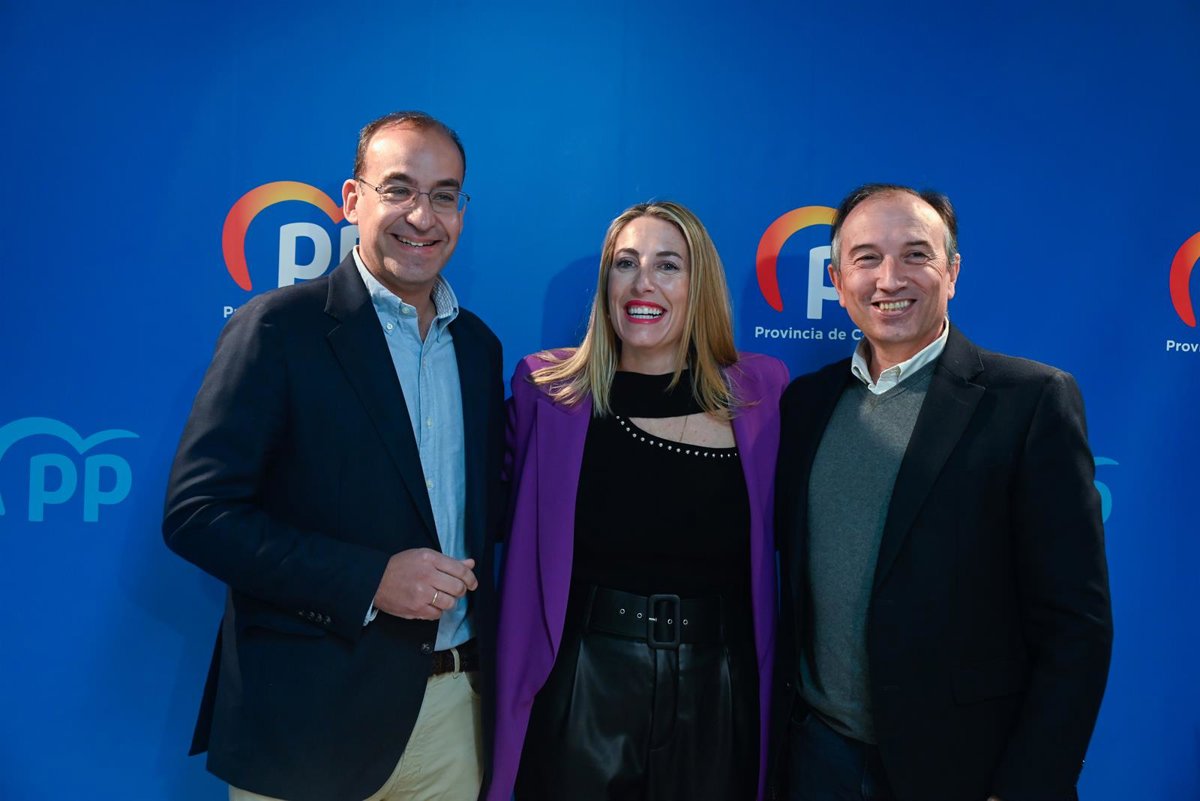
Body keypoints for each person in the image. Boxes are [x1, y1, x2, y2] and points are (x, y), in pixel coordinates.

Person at [163, 111, 506, 801]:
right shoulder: (278, 327)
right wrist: (368, 579)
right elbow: (197, 514)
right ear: (353, 200)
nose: (422, 216)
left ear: (461, 212)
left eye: (444, 195)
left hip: (452, 716)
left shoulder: (478, 347)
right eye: (399, 189)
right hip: (308, 723)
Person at [774, 184, 1113, 801]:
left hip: (966, 770)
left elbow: (1076, 626)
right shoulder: (805, 403)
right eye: (867, 258)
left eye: (916, 255)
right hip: (816, 759)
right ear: (838, 280)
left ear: (952, 272)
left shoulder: (1031, 402)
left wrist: (1027, 786)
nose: (890, 278)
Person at [486, 201, 788, 801]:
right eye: (625, 263)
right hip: (584, 686)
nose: (642, 282)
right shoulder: (548, 393)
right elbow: (475, 508)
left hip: (719, 690)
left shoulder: (761, 391)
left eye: (667, 265)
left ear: (700, 285)